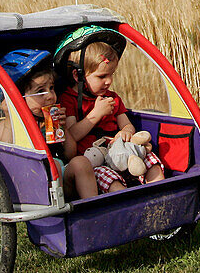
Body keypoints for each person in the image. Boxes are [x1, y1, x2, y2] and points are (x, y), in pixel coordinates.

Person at [58, 37, 166, 194]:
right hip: (94, 163)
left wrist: (126, 132)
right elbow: (72, 135)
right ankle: (126, 208)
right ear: (78, 76)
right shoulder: (68, 99)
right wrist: (96, 114)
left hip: (119, 152)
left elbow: (127, 125)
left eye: (111, 74)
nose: (109, 81)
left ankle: (160, 196)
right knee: (110, 180)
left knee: (151, 159)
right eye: (102, 76)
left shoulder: (112, 98)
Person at [0, 49, 100, 199]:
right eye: (40, 91)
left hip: (61, 176)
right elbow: (6, 150)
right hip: (31, 182)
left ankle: (92, 207)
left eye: (51, 88)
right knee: (52, 165)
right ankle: (55, 217)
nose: (50, 96)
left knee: (80, 162)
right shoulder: (6, 123)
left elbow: (69, 154)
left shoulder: (49, 119)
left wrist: (64, 129)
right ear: (17, 97)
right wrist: (10, 115)